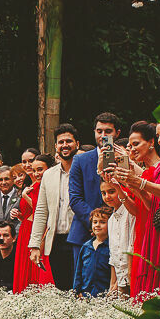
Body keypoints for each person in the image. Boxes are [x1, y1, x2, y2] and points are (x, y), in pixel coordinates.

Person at [125, 120, 160, 299]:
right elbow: (152, 205)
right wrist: (131, 185)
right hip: (156, 226)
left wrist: (140, 182)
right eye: (158, 135)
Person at [29, 123, 79, 290]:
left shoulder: (85, 170)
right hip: (56, 240)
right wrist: (35, 245)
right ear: (56, 146)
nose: (65, 145)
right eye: (61, 142)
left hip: (79, 238)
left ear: (77, 144)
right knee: (62, 289)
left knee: (81, 289)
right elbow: (41, 211)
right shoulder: (48, 175)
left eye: (69, 141)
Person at [68, 112, 121, 254]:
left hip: (119, 230)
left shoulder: (125, 159)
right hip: (84, 232)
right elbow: (75, 199)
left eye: (108, 131)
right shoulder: (80, 160)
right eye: (99, 131)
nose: (103, 135)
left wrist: (111, 224)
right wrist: (97, 222)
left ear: (117, 133)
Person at [13, 156, 53, 293]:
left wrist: (25, 197)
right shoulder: (32, 185)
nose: (36, 173)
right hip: (25, 229)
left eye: (40, 169)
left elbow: (42, 210)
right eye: (34, 170)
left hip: (37, 230)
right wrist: (20, 216)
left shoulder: (44, 186)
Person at [101, 179, 134, 295]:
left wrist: (129, 275)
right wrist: (112, 284)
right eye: (103, 193)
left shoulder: (130, 212)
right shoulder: (110, 220)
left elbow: (131, 246)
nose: (107, 196)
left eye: (111, 191)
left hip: (131, 274)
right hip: (120, 278)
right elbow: (113, 255)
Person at [73, 207, 112, 297]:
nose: (97, 225)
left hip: (104, 295)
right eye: (95, 222)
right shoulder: (86, 247)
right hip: (85, 295)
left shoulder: (111, 246)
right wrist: (77, 292)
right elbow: (78, 271)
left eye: (102, 222)